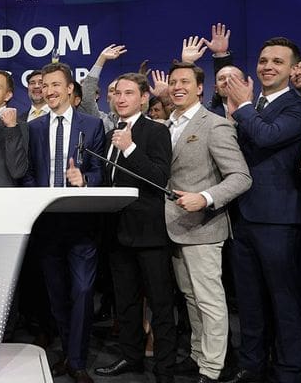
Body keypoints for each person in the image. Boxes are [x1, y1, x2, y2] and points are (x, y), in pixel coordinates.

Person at [225, 37, 301, 383]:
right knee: (248, 300)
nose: (267, 67)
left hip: (278, 218)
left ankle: (290, 369)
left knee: (284, 299)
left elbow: (266, 136)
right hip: (242, 216)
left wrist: (243, 106)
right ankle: (252, 365)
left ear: (293, 70)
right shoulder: (250, 106)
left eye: (277, 61)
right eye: (263, 60)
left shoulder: (299, 107)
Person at [164, 62, 252, 383]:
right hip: (174, 227)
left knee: (209, 300)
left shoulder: (214, 125)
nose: (178, 87)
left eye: (185, 82)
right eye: (173, 82)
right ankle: (198, 356)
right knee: (190, 298)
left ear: (200, 88)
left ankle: (212, 369)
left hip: (204, 227)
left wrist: (205, 197)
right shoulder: (166, 125)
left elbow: (241, 177)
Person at [23, 62, 105, 383]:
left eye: (55, 85)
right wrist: (39, 197)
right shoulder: (34, 128)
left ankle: (78, 360)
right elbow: (28, 173)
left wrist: (84, 179)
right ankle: (71, 355)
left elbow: (100, 173)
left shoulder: (92, 125)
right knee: (56, 295)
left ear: (70, 89)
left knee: (83, 291)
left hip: (81, 225)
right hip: (47, 224)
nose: (48, 91)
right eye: (44, 85)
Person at [94, 73, 176, 382]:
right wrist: (84, 182)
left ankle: (165, 369)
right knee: (125, 303)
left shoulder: (156, 131)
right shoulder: (110, 134)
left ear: (143, 98)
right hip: (117, 232)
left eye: (128, 93)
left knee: (160, 304)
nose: (120, 98)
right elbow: (111, 182)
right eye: (117, 92)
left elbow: (158, 178)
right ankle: (131, 358)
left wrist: (130, 148)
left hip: (149, 233)